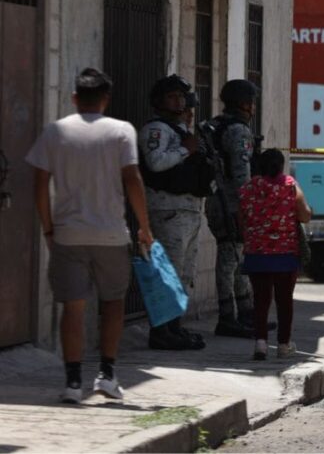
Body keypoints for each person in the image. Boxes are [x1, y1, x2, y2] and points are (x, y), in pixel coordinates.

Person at [26, 68, 154, 404]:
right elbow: (133, 179)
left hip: (68, 235)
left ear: (74, 98)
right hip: (111, 234)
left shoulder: (55, 131)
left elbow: (39, 184)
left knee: (72, 307)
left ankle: (72, 382)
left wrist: (49, 227)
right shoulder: (121, 130)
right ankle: (107, 376)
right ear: (105, 99)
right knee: (113, 303)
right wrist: (144, 226)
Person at [139, 75, 207, 350]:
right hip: (168, 210)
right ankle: (160, 332)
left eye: (181, 96)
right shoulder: (156, 129)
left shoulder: (180, 130)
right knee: (168, 273)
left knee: (184, 274)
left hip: (188, 210)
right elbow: (155, 163)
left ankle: (174, 328)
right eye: (172, 96)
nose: (178, 101)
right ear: (159, 101)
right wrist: (184, 150)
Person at [239, 149, 312, 360]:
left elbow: (241, 219)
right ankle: (283, 344)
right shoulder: (290, 185)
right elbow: (305, 215)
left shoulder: (248, 188)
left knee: (260, 300)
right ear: (281, 166)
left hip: (257, 254)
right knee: (284, 301)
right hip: (285, 254)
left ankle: (260, 344)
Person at [203, 79, 260, 338]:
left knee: (238, 258)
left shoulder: (216, 124)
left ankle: (246, 313)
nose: (253, 108)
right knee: (229, 260)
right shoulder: (238, 130)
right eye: (251, 103)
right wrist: (246, 208)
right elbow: (241, 173)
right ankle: (227, 317)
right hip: (231, 205)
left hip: (220, 200)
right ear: (243, 104)